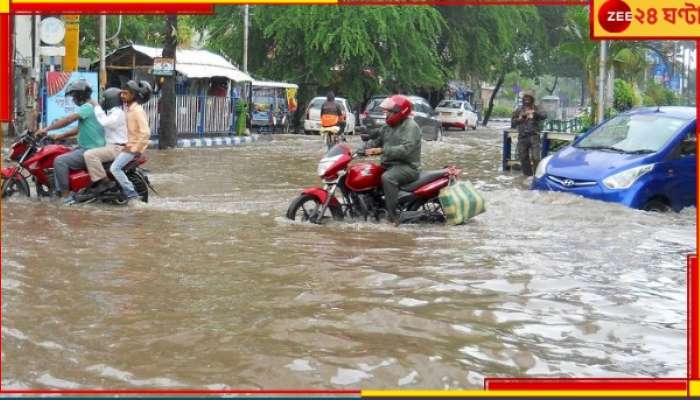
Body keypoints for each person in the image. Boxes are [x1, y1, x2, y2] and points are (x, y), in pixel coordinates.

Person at [35, 80, 105, 205]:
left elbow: (68, 120)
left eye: (74, 96)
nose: (73, 99)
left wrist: (46, 129)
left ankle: (65, 195)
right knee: (62, 152)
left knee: (60, 161)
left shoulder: (88, 107)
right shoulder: (94, 105)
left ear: (80, 95)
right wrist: (59, 136)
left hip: (90, 149)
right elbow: (78, 129)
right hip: (88, 147)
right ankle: (68, 188)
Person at [364, 95, 421, 226]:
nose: (386, 114)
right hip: (389, 165)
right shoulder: (387, 126)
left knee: (388, 178)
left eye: (388, 112)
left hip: (408, 167)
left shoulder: (411, 127)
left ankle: (393, 217)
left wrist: (382, 150)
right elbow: (375, 141)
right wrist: (356, 150)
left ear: (399, 112)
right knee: (367, 173)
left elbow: (406, 149)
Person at [76, 87, 128, 201]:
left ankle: (104, 182)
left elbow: (104, 122)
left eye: (105, 99)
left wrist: (96, 106)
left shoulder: (117, 113)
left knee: (90, 155)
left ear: (111, 100)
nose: (103, 101)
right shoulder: (111, 112)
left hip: (116, 147)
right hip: (111, 146)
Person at [109, 80, 152, 202]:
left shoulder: (137, 111)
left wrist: (134, 149)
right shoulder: (128, 109)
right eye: (122, 93)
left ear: (134, 96)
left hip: (132, 149)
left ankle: (131, 193)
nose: (122, 95)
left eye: (126, 93)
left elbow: (146, 132)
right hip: (127, 145)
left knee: (115, 168)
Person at [511, 91, 547, 176]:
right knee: (523, 158)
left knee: (536, 158)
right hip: (522, 137)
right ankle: (528, 176)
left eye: (528, 97)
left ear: (532, 99)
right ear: (523, 99)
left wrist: (534, 113)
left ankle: (537, 176)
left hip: (534, 136)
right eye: (525, 97)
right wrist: (520, 119)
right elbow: (512, 123)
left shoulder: (537, 108)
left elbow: (544, 115)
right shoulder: (519, 109)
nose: (526, 99)